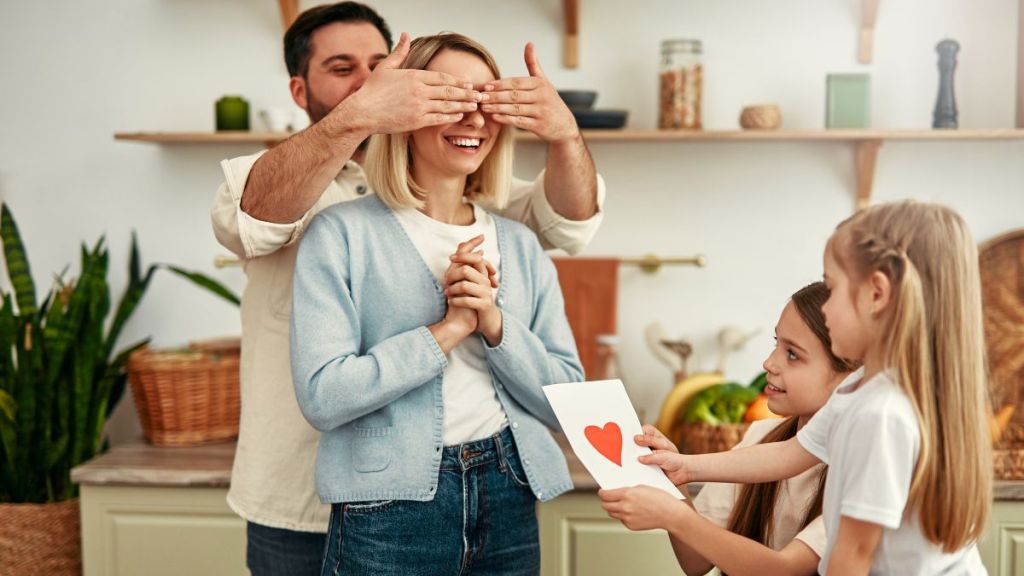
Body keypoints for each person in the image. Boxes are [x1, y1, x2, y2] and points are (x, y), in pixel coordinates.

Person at [209, 3, 604, 574]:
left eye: (379, 66)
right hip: (301, 490)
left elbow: (570, 222)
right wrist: (359, 116)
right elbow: (253, 218)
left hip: (498, 492)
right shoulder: (310, 204)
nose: (370, 83)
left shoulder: (505, 225)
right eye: (344, 69)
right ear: (300, 89)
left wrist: (565, 132)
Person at [636, 201, 992, 575]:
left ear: (877, 294)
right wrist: (685, 467)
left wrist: (676, 511)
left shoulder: (882, 416)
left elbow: (851, 557)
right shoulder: (862, 389)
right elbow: (787, 454)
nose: (825, 309)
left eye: (833, 288)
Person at [600, 282, 859, 575]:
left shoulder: (862, 468)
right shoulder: (758, 438)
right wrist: (678, 486)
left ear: (850, 376)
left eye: (793, 354)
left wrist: (674, 516)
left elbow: (783, 570)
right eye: (777, 344)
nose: (769, 363)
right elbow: (696, 563)